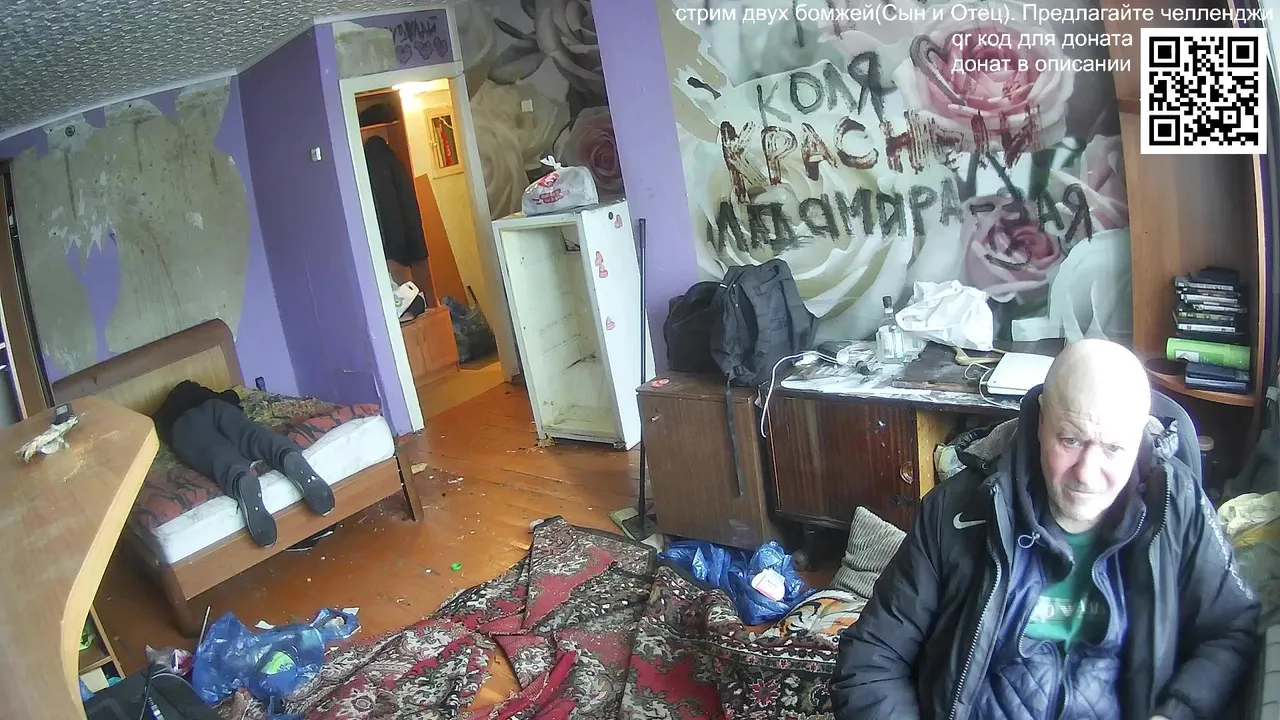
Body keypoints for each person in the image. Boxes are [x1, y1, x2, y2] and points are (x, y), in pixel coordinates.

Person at [831, 338, 1260, 720]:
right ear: (1040, 421)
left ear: (1140, 438)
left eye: (1113, 448)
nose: (1087, 473)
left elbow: (1232, 628)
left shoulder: (1176, 507)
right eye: (1070, 440)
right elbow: (871, 659)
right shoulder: (957, 513)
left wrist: (1176, 712)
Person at [151, 380, 336, 548]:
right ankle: (285, 454)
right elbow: (231, 396)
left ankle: (240, 478)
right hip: (216, 407)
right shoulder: (202, 393)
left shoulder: (161, 417)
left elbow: (153, 436)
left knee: (216, 452)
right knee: (252, 435)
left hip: (183, 426)